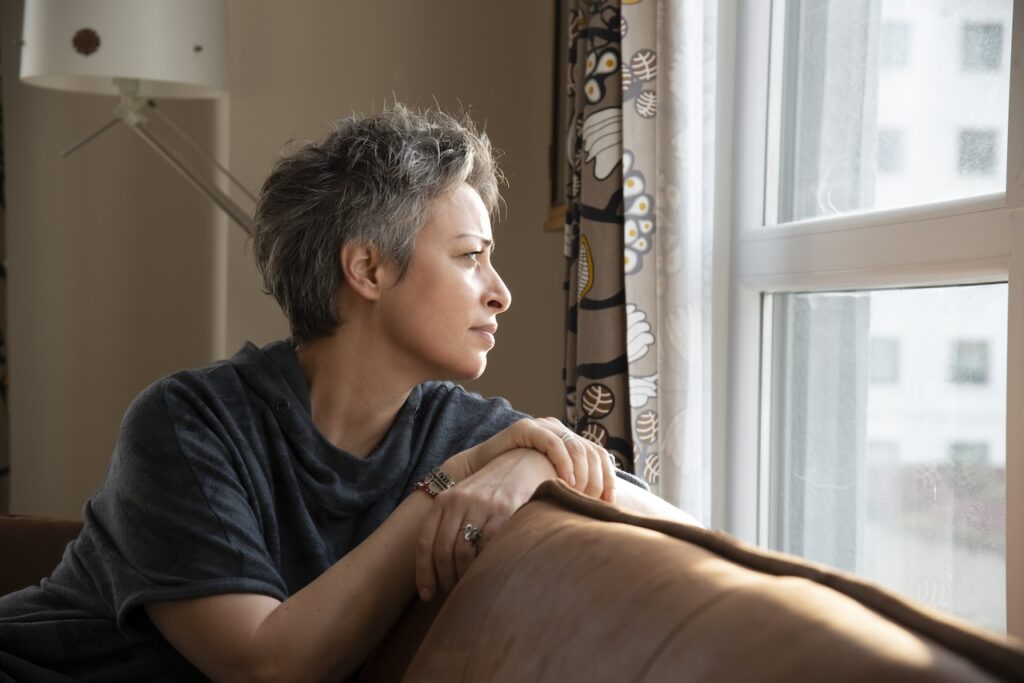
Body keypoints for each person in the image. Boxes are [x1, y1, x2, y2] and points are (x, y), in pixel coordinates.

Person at [0, 104, 694, 683]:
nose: (501, 292)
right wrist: (448, 485)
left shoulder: (469, 432)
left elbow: (677, 528)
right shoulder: (188, 424)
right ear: (366, 267)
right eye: (469, 256)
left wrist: (534, 461)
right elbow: (265, 665)